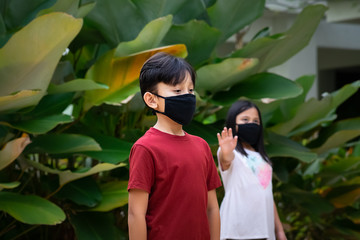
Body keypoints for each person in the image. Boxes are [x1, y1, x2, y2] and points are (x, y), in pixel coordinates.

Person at [127, 52, 222, 240]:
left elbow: (212, 208)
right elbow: (135, 214)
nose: (187, 97)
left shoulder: (202, 146)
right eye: (177, 91)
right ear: (151, 99)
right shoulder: (145, 148)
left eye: (190, 90)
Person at [217, 100, 287, 240]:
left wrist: (279, 230)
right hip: (236, 231)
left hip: (264, 230)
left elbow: (267, 193)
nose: (251, 124)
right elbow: (226, 160)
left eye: (256, 121)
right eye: (245, 119)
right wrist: (226, 151)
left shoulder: (262, 157)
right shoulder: (230, 152)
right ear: (233, 124)